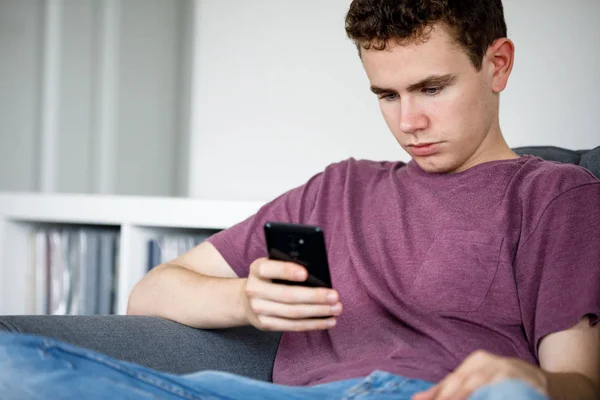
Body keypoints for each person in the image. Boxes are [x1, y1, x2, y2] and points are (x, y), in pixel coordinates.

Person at [1, 0, 599, 399]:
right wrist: (244, 299)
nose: (409, 120)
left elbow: (582, 381)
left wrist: (525, 378)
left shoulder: (552, 194)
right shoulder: (338, 187)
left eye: (431, 88)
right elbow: (149, 293)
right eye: (386, 95)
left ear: (498, 64)